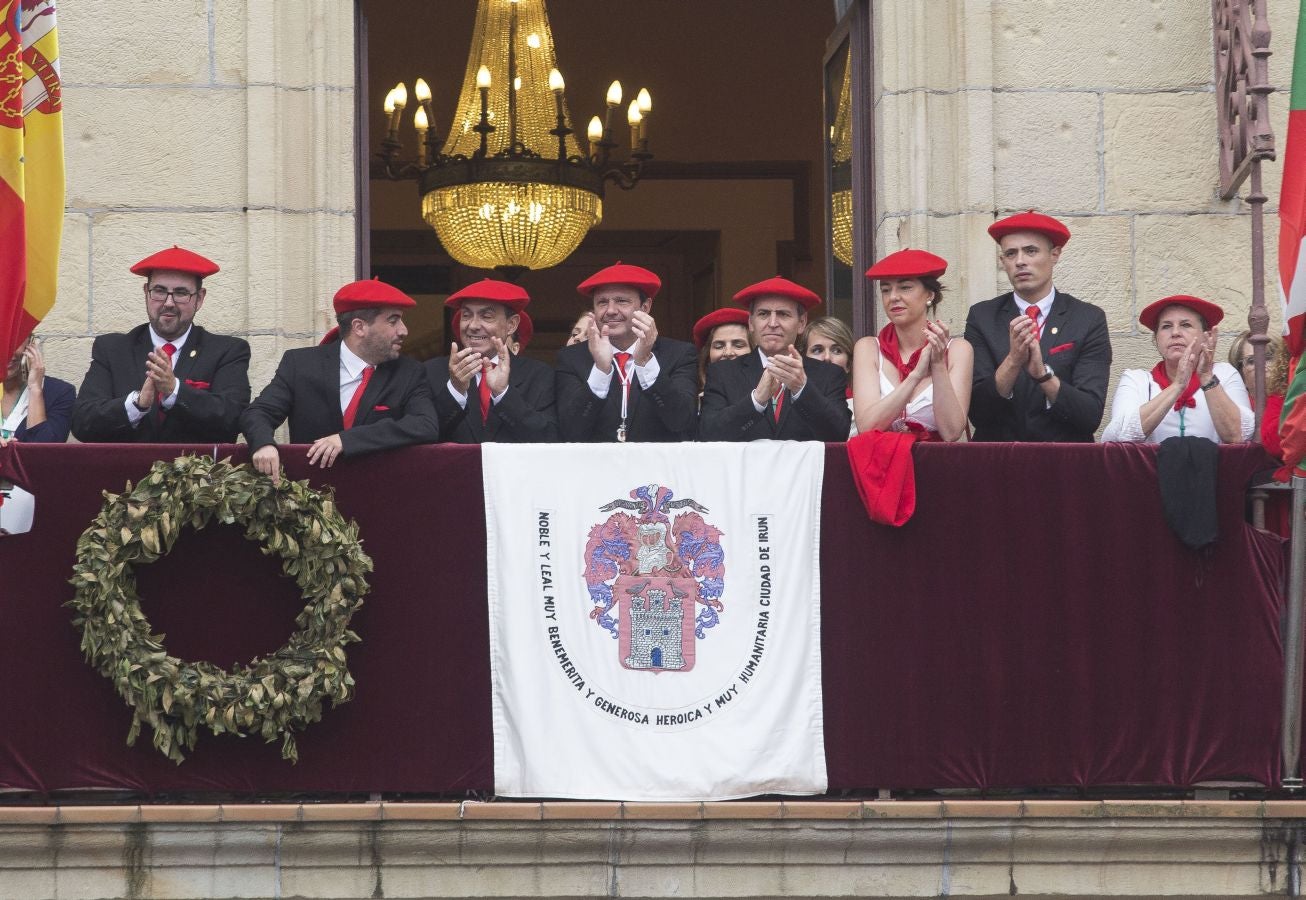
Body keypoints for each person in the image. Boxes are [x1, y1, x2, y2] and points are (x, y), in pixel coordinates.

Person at [241, 278, 439, 484]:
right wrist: (263, 444)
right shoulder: (301, 364)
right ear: (359, 327)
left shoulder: (409, 372)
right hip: (311, 497)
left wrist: (347, 440)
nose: (403, 330)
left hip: (381, 494)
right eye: (393, 320)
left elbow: (425, 424)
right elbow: (258, 412)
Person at [71, 246, 251, 443]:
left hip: (196, 472)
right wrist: (137, 405)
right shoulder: (112, 349)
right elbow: (82, 423)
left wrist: (174, 390)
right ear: (146, 293)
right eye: (159, 291)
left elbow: (233, 419)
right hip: (125, 472)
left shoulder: (227, 351)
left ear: (199, 299)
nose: (168, 302)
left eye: (181, 293)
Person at [964, 212, 1111, 442]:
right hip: (998, 461)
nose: (1020, 261)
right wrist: (1013, 361)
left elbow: (1089, 415)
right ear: (1003, 262)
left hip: (1064, 462)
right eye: (1011, 253)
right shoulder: (982, 317)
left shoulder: (1087, 319)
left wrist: (1043, 376)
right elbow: (978, 413)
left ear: (1055, 254)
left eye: (1031, 251)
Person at [555, 262, 698, 442]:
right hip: (596, 467)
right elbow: (569, 430)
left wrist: (645, 362)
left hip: (656, 467)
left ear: (645, 307)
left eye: (622, 301)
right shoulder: (571, 358)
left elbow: (682, 421)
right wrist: (601, 370)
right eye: (602, 302)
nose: (611, 311)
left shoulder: (679, 354)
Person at [699, 276, 851, 441]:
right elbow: (707, 434)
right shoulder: (723, 373)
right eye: (763, 314)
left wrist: (802, 389)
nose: (772, 323)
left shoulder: (829, 374)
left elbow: (839, 434)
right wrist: (756, 401)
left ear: (801, 322)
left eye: (783, 314)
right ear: (751, 323)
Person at [851, 250, 972, 441]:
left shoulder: (958, 350)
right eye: (885, 289)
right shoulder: (868, 348)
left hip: (938, 465)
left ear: (929, 295)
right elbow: (866, 427)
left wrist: (938, 364)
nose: (893, 297)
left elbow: (952, 432)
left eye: (905, 287)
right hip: (881, 467)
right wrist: (915, 376)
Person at [1101, 295, 1253, 444]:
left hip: (1215, 469)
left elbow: (1240, 435)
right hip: (1152, 469)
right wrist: (1178, 386)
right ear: (1156, 339)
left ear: (1206, 336)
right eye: (1166, 326)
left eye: (1186, 325)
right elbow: (1118, 435)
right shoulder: (1136, 380)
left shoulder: (1224, 374)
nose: (1175, 333)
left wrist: (1206, 377)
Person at [425, 279, 556, 443]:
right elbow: (423, 436)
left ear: (511, 325)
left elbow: (549, 438)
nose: (473, 325)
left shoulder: (538, 375)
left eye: (486, 316)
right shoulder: (431, 372)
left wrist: (503, 394)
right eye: (466, 315)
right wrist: (455, 390)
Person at [1, 336, 74, 445]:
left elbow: (44, 453)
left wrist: (35, 389)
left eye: (13, 341)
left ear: (31, 343)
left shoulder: (60, 392)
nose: (5, 352)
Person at [1229, 330, 1288, 457]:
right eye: (1251, 361)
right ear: (1240, 374)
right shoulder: (1235, 410)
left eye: (1269, 357)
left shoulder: (1294, 400)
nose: (1262, 364)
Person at [805, 315, 856, 436]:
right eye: (817, 350)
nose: (827, 358)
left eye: (837, 350)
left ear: (848, 364)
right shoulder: (788, 404)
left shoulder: (862, 409)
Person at [692, 307, 752, 394]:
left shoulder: (772, 398)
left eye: (738, 345)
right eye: (719, 346)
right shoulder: (695, 404)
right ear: (707, 356)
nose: (728, 353)